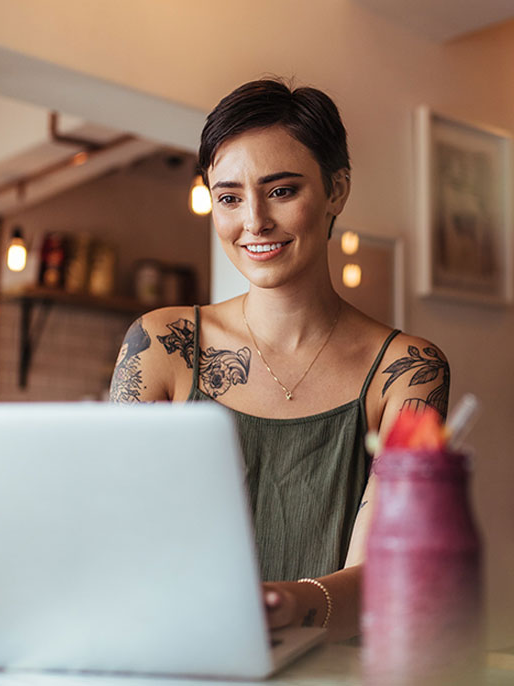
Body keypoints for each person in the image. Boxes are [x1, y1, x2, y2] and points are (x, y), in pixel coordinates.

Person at [109, 78, 450, 641]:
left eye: (282, 190)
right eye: (229, 197)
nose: (254, 221)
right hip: (181, 659)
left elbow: (389, 572)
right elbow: (113, 526)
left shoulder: (408, 371)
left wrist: (290, 604)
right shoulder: (161, 345)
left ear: (336, 190)